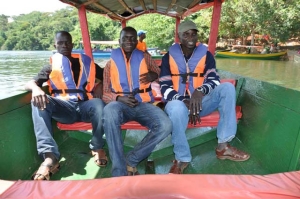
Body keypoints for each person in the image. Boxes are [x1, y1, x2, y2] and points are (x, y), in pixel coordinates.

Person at [159, 20, 250, 174]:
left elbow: (213, 80)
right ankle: (182, 158)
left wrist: (199, 92)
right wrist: (184, 101)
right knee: (175, 108)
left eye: (193, 34)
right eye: (186, 34)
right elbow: (164, 87)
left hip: (202, 103)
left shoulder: (206, 55)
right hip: (179, 106)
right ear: (179, 36)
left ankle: (223, 146)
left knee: (227, 87)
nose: (190, 38)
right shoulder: (168, 58)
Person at [25, 31, 107, 180]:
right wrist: (37, 89)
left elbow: (108, 76)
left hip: (84, 105)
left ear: (72, 44)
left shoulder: (86, 63)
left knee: (99, 104)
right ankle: (50, 157)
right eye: (60, 43)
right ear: (55, 45)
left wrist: (100, 84)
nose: (64, 45)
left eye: (67, 42)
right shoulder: (50, 66)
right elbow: (30, 83)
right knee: (37, 101)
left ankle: (97, 146)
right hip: (64, 108)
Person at [102, 27, 172, 177]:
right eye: (125, 38)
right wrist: (119, 98)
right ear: (119, 41)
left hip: (143, 104)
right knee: (109, 111)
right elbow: (106, 93)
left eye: (132, 38)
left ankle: (132, 159)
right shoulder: (110, 64)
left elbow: (160, 73)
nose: (129, 41)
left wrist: (153, 74)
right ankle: (119, 172)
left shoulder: (145, 57)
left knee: (166, 125)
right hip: (120, 105)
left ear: (136, 41)